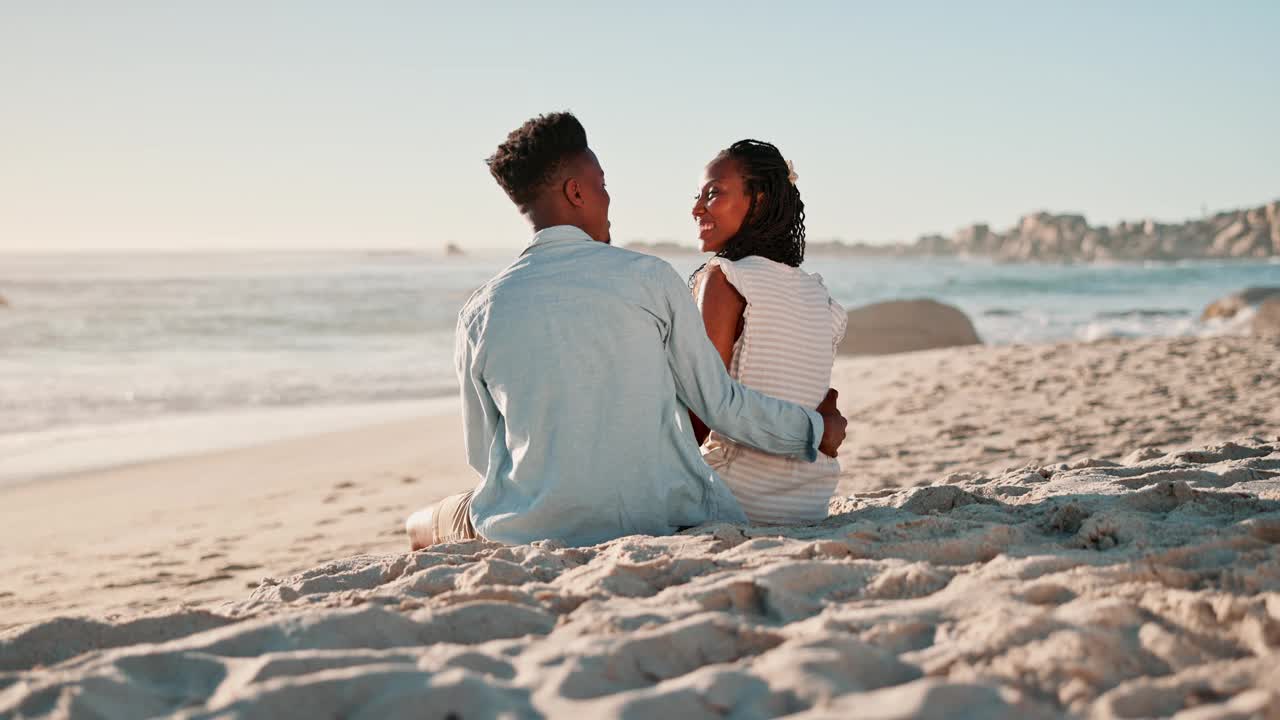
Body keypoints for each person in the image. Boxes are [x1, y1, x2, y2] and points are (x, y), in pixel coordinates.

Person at [405, 112, 847, 549]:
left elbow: (483, 454)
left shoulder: (479, 312)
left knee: (418, 525)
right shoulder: (652, 279)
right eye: (602, 185)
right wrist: (814, 430)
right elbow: (721, 405)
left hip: (529, 525)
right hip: (655, 514)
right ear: (576, 192)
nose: (608, 198)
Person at [689, 140, 847, 525]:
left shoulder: (725, 279)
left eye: (713, 194)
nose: (696, 208)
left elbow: (701, 413)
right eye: (697, 196)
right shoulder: (819, 294)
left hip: (733, 499)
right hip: (808, 504)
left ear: (758, 201)